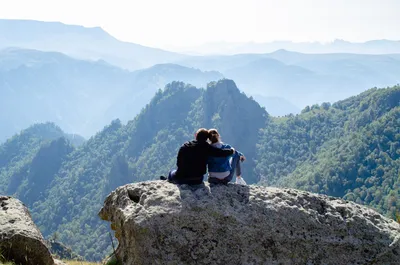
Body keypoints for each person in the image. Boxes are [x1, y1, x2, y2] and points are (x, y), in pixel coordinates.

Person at [160, 128, 235, 185]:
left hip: (181, 178)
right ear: (206, 139)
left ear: (196, 135)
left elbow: (178, 163)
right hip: (197, 180)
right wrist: (231, 151)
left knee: (171, 172)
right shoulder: (206, 147)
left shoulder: (185, 146)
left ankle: (167, 180)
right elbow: (220, 153)